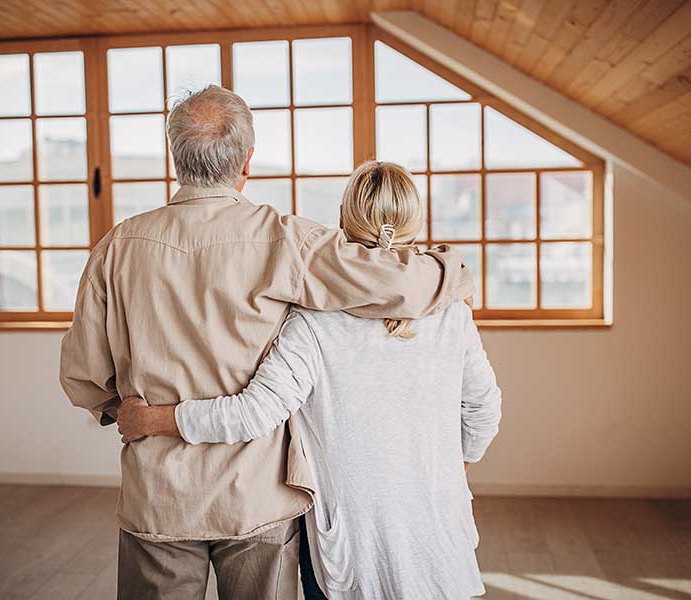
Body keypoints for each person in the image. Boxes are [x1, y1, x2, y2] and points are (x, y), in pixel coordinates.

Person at [60, 85, 474, 600]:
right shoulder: (286, 240)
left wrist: (121, 412)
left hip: (158, 493)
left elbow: (81, 374)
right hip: (256, 494)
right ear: (247, 161)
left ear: (175, 157)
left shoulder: (116, 247)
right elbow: (400, 285)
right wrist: (452, 270)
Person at [117, 161, 502, 600]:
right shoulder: (453, 311)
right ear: (416, 221)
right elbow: (484, 411)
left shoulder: (313, 323)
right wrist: (452, 464)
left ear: (342, 220)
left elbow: (252, 413)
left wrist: (152, 421)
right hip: (437, 532)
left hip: (349, 547)